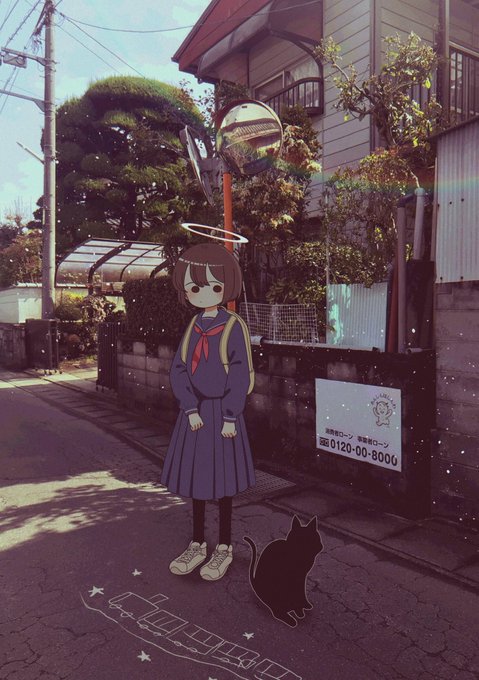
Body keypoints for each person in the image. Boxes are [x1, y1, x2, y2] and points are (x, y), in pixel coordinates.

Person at [160, 242, 255, 581]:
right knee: (197, 480)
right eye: (194, 287)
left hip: (222, 415)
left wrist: (230, 415)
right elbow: (179, 368)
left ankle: (224, 548)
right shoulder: (194, 324)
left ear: (227, 286)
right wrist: (189, 407)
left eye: (213, 286)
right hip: (196, 413)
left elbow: (240, 373)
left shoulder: (233, 325)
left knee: (224, 483)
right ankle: (198, 543)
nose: (202, 293)